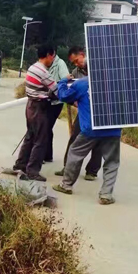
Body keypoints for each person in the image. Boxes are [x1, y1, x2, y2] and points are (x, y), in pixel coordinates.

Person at [52, 75, 121, 205]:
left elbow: (64, 96)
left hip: (91, 129)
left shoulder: (82, 84)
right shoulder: (118, 82)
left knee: (75, 153)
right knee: (112, 162)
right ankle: (106, 194)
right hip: (113, 129)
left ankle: (66, 185)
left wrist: (62, 82)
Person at [8, 45, 57, 182]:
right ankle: (32, 171)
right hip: (39, 107)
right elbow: (56, 90)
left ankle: (20, 165)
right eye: (53, 56)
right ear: (48, 55)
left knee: (30, 137)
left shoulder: (32, 67)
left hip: (30, 106)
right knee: (41, 140)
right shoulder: (44, 72)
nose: (52, 59)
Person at [55, 46, 102, 181]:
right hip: (84, 111)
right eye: (73, 63)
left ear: (82, 54)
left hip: (100, 110)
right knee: (75, 138)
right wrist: (73, 102)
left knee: (98, 141)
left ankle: (92, 171)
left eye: (77, 60)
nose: (76, 64)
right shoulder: (75, 73)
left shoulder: (97, 66)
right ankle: (67, 167)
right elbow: (70, 92)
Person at [45, 49, 69, 162]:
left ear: (52, 54)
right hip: (45, 100)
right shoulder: (46, 63)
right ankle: (47, 155)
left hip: (56, 102)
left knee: (46, 126)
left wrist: (55, 89)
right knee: (44, 127)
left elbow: (66, 79)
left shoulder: (60, 64)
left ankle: (45, 155)